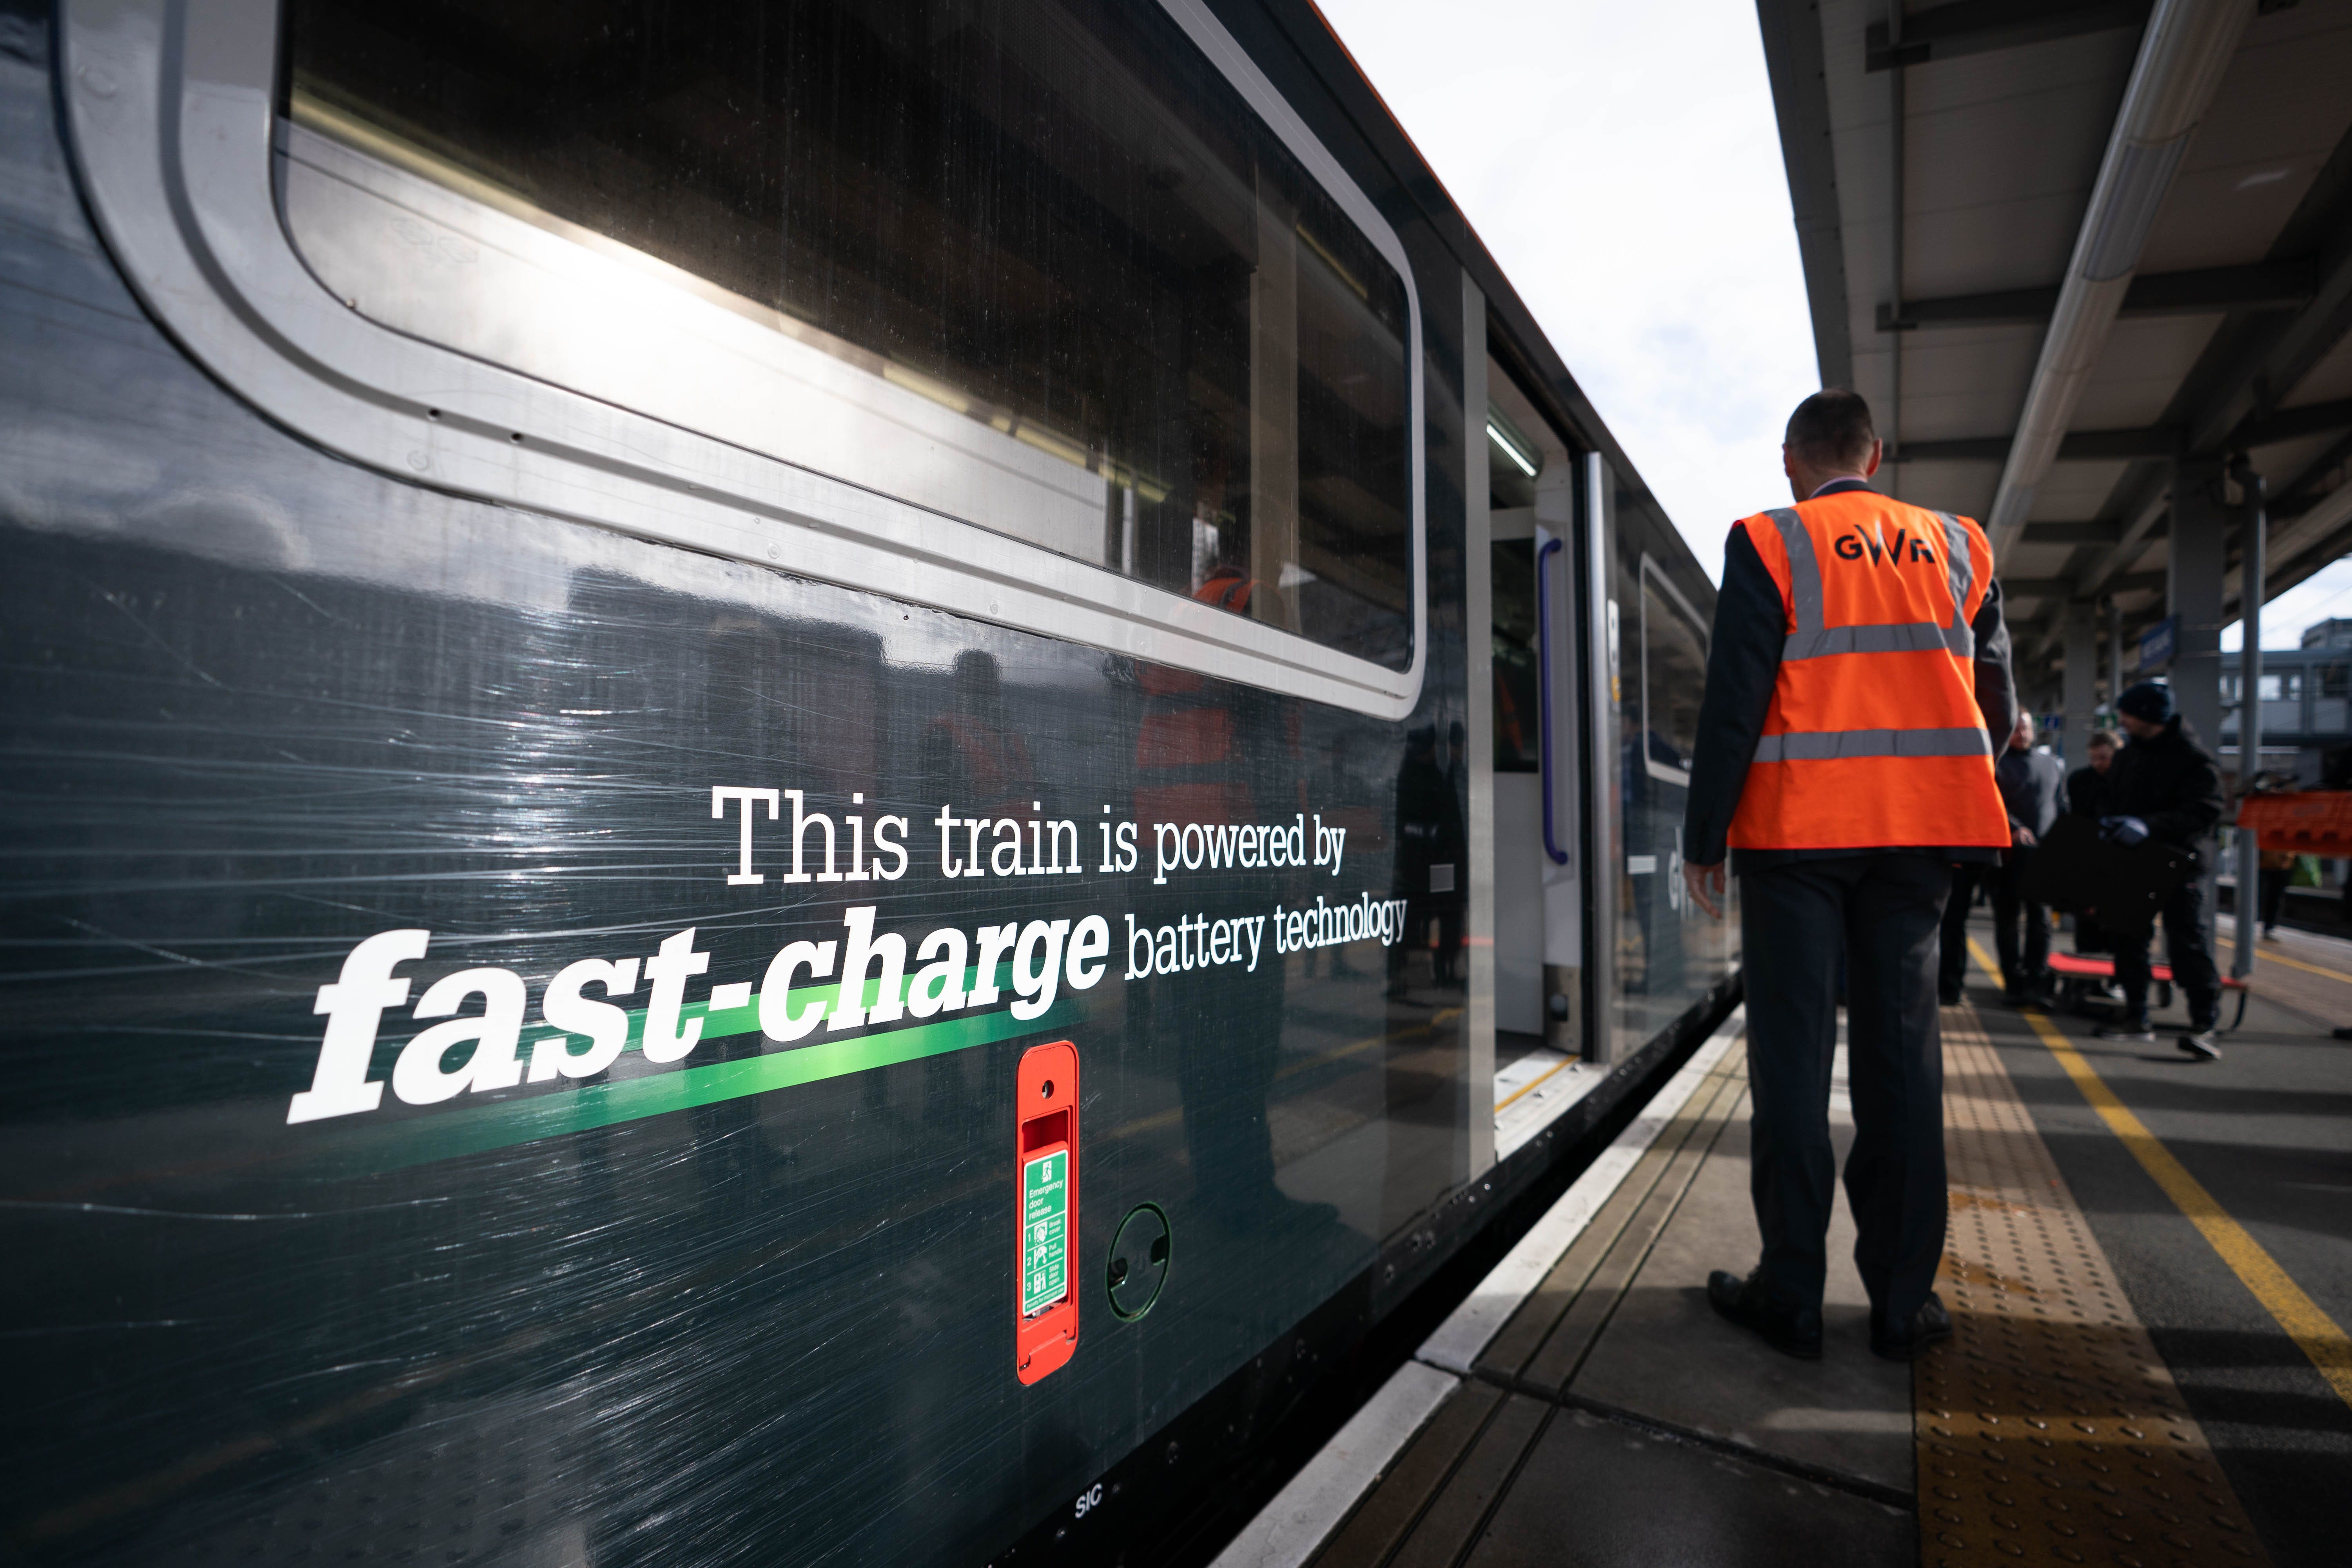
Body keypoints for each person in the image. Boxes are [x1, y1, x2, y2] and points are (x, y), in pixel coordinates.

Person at [1682, 388, 2015, 1362]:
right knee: (1902, 1059)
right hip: (1920, 840)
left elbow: (1733, 696)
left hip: (1798, 837)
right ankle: (1904, 1302)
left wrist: (1707, 835)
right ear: (1878, 453)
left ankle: (1789, 1289)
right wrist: (1956, 787)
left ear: (1792, 458)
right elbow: (1992, 690)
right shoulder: (1960, 545)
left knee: (1791, 1056)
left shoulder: (1771, 540)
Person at [2095, 681, 2225, 1059]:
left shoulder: (2193, 757)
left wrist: (2150, 825)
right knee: (2128, 937)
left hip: (2179, 863)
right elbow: (2109, 794)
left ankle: (2205, 1023)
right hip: (2135, 861)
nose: (2122, 721)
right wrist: (2110, 820)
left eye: (2128, 714)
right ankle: (2137, 1016)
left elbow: (2206, 810)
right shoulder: (2129, 754)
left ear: (2149, 716)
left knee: (2188, 942)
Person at [1992, 713, 2064, 1002]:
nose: (2022, 732)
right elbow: (1991, 800)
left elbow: (2061, 804)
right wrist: (2013, 828)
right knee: (2007, 921)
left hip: (2043, 856)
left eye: (2026, 727)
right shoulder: (1996, 764)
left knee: (2041, 920)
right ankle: (2013, 981)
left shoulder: (2050, 765)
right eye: (2016, 727)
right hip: (2007, 857)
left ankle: (2038, 979)